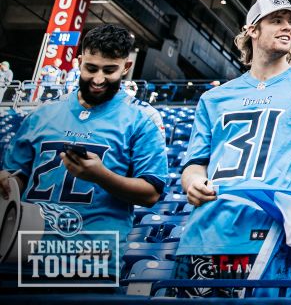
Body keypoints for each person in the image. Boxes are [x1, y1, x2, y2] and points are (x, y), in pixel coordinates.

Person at [177, 0, 291, 287]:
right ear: (252, 30)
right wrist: (192, 183)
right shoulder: (214, 98)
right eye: (277, 21)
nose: (288, 28)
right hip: (207, 233)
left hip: (272, 233)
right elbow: (195, 163)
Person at [1, 25, 167, 274]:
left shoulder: (143, 118)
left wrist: (101, 176)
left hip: (92, 260)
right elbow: (18, 175)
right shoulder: (42, 114)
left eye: (109, 70)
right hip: (22, 252)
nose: (98, 79)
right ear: (79, 62)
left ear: (126, 67)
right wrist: (8, 180)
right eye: (91, 68)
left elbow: (151, 194)